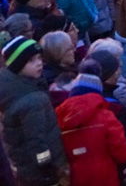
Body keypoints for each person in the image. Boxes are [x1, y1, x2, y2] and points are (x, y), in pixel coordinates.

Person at [0, 36, 68, 185]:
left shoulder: (14, 89)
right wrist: (47, 167)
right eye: (31, 60)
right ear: (18, 65)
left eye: (39, 58)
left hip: (26, 167)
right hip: (42, 172)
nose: (39, 63)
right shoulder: (32, 101)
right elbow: (37, 141)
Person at [54, 69, 126, 186]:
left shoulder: (60, 116)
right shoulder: (106, 116)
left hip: (75, 175)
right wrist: (125, 162)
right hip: (105, 175)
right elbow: (119, 147)